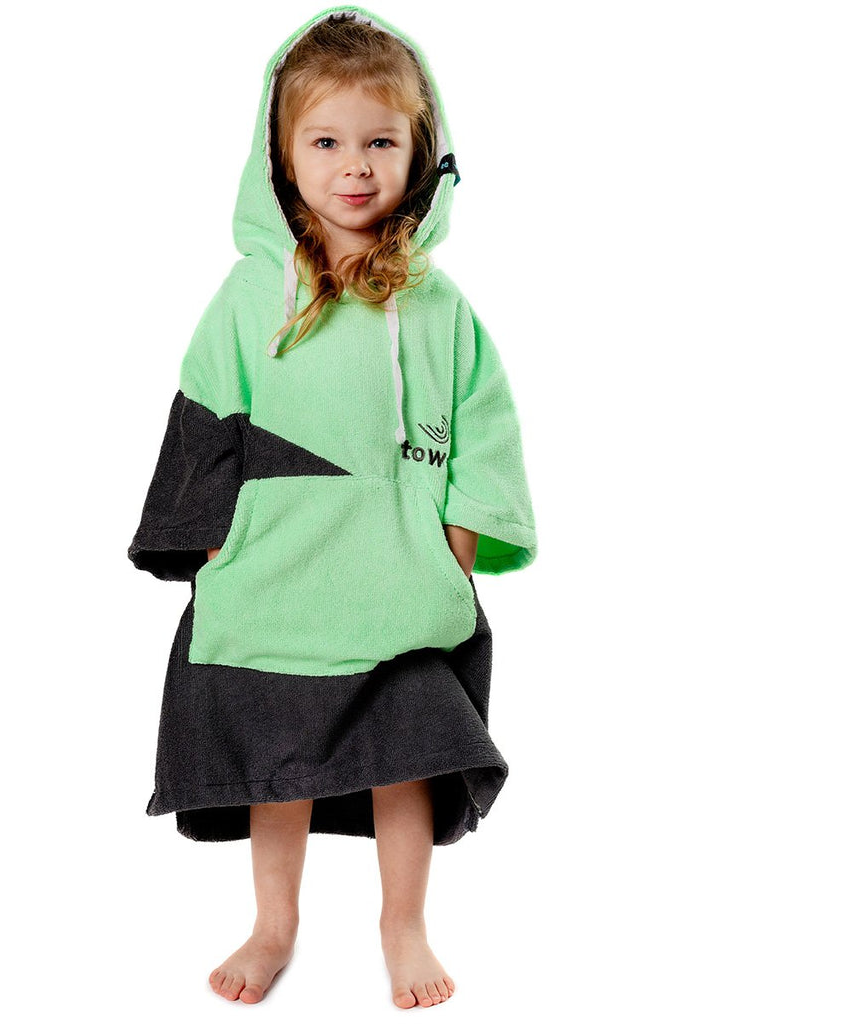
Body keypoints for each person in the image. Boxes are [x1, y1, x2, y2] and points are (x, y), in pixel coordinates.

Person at [127, 5, 538, 1009]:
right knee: (282, 761)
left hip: (401, 577)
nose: (354, 166)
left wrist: (458, 535)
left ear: (421, 152)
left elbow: (484, 420)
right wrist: (210, 538)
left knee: (408, 754)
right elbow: (205, 411)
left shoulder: (436, 304)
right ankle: (275, 923)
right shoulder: (247, 296)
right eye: (325, 142)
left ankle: (404, 922)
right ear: (279, 153)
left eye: (380, 142)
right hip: (278, 571)